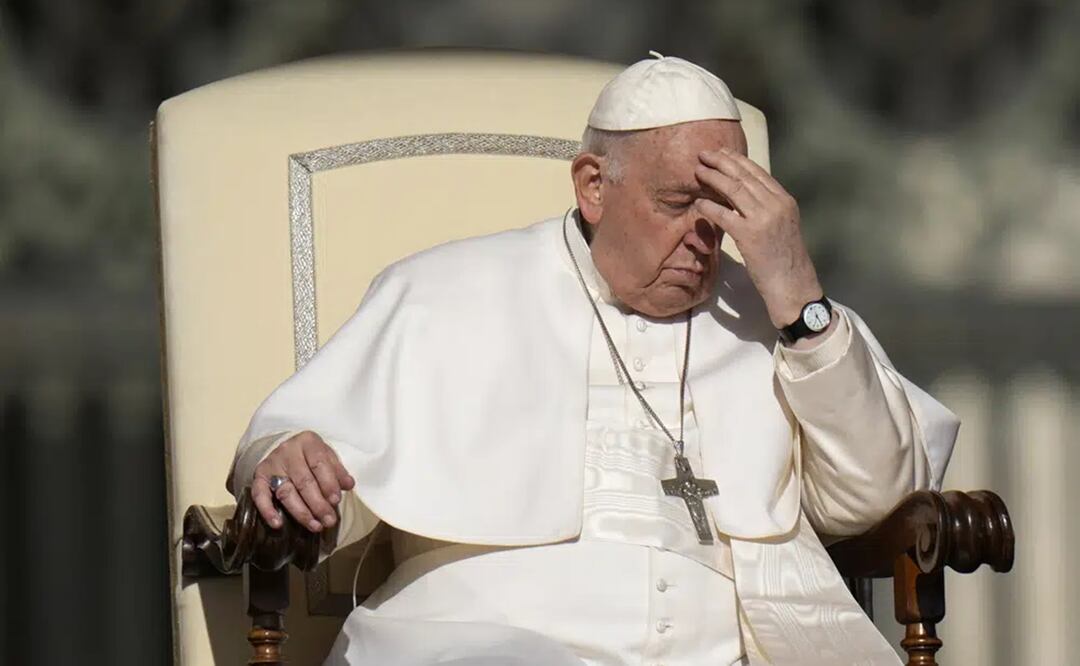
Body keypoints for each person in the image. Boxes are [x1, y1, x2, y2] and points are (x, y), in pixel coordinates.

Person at [227, 53, 958, 665]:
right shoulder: (443, 290)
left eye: (725, 210)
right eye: (678, 204)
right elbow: (302, 449)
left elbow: (877, 495)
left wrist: (799, 296)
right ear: (593, 186)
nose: (705, 238)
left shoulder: (775, 315)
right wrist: (288, 454)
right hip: (480, 644)